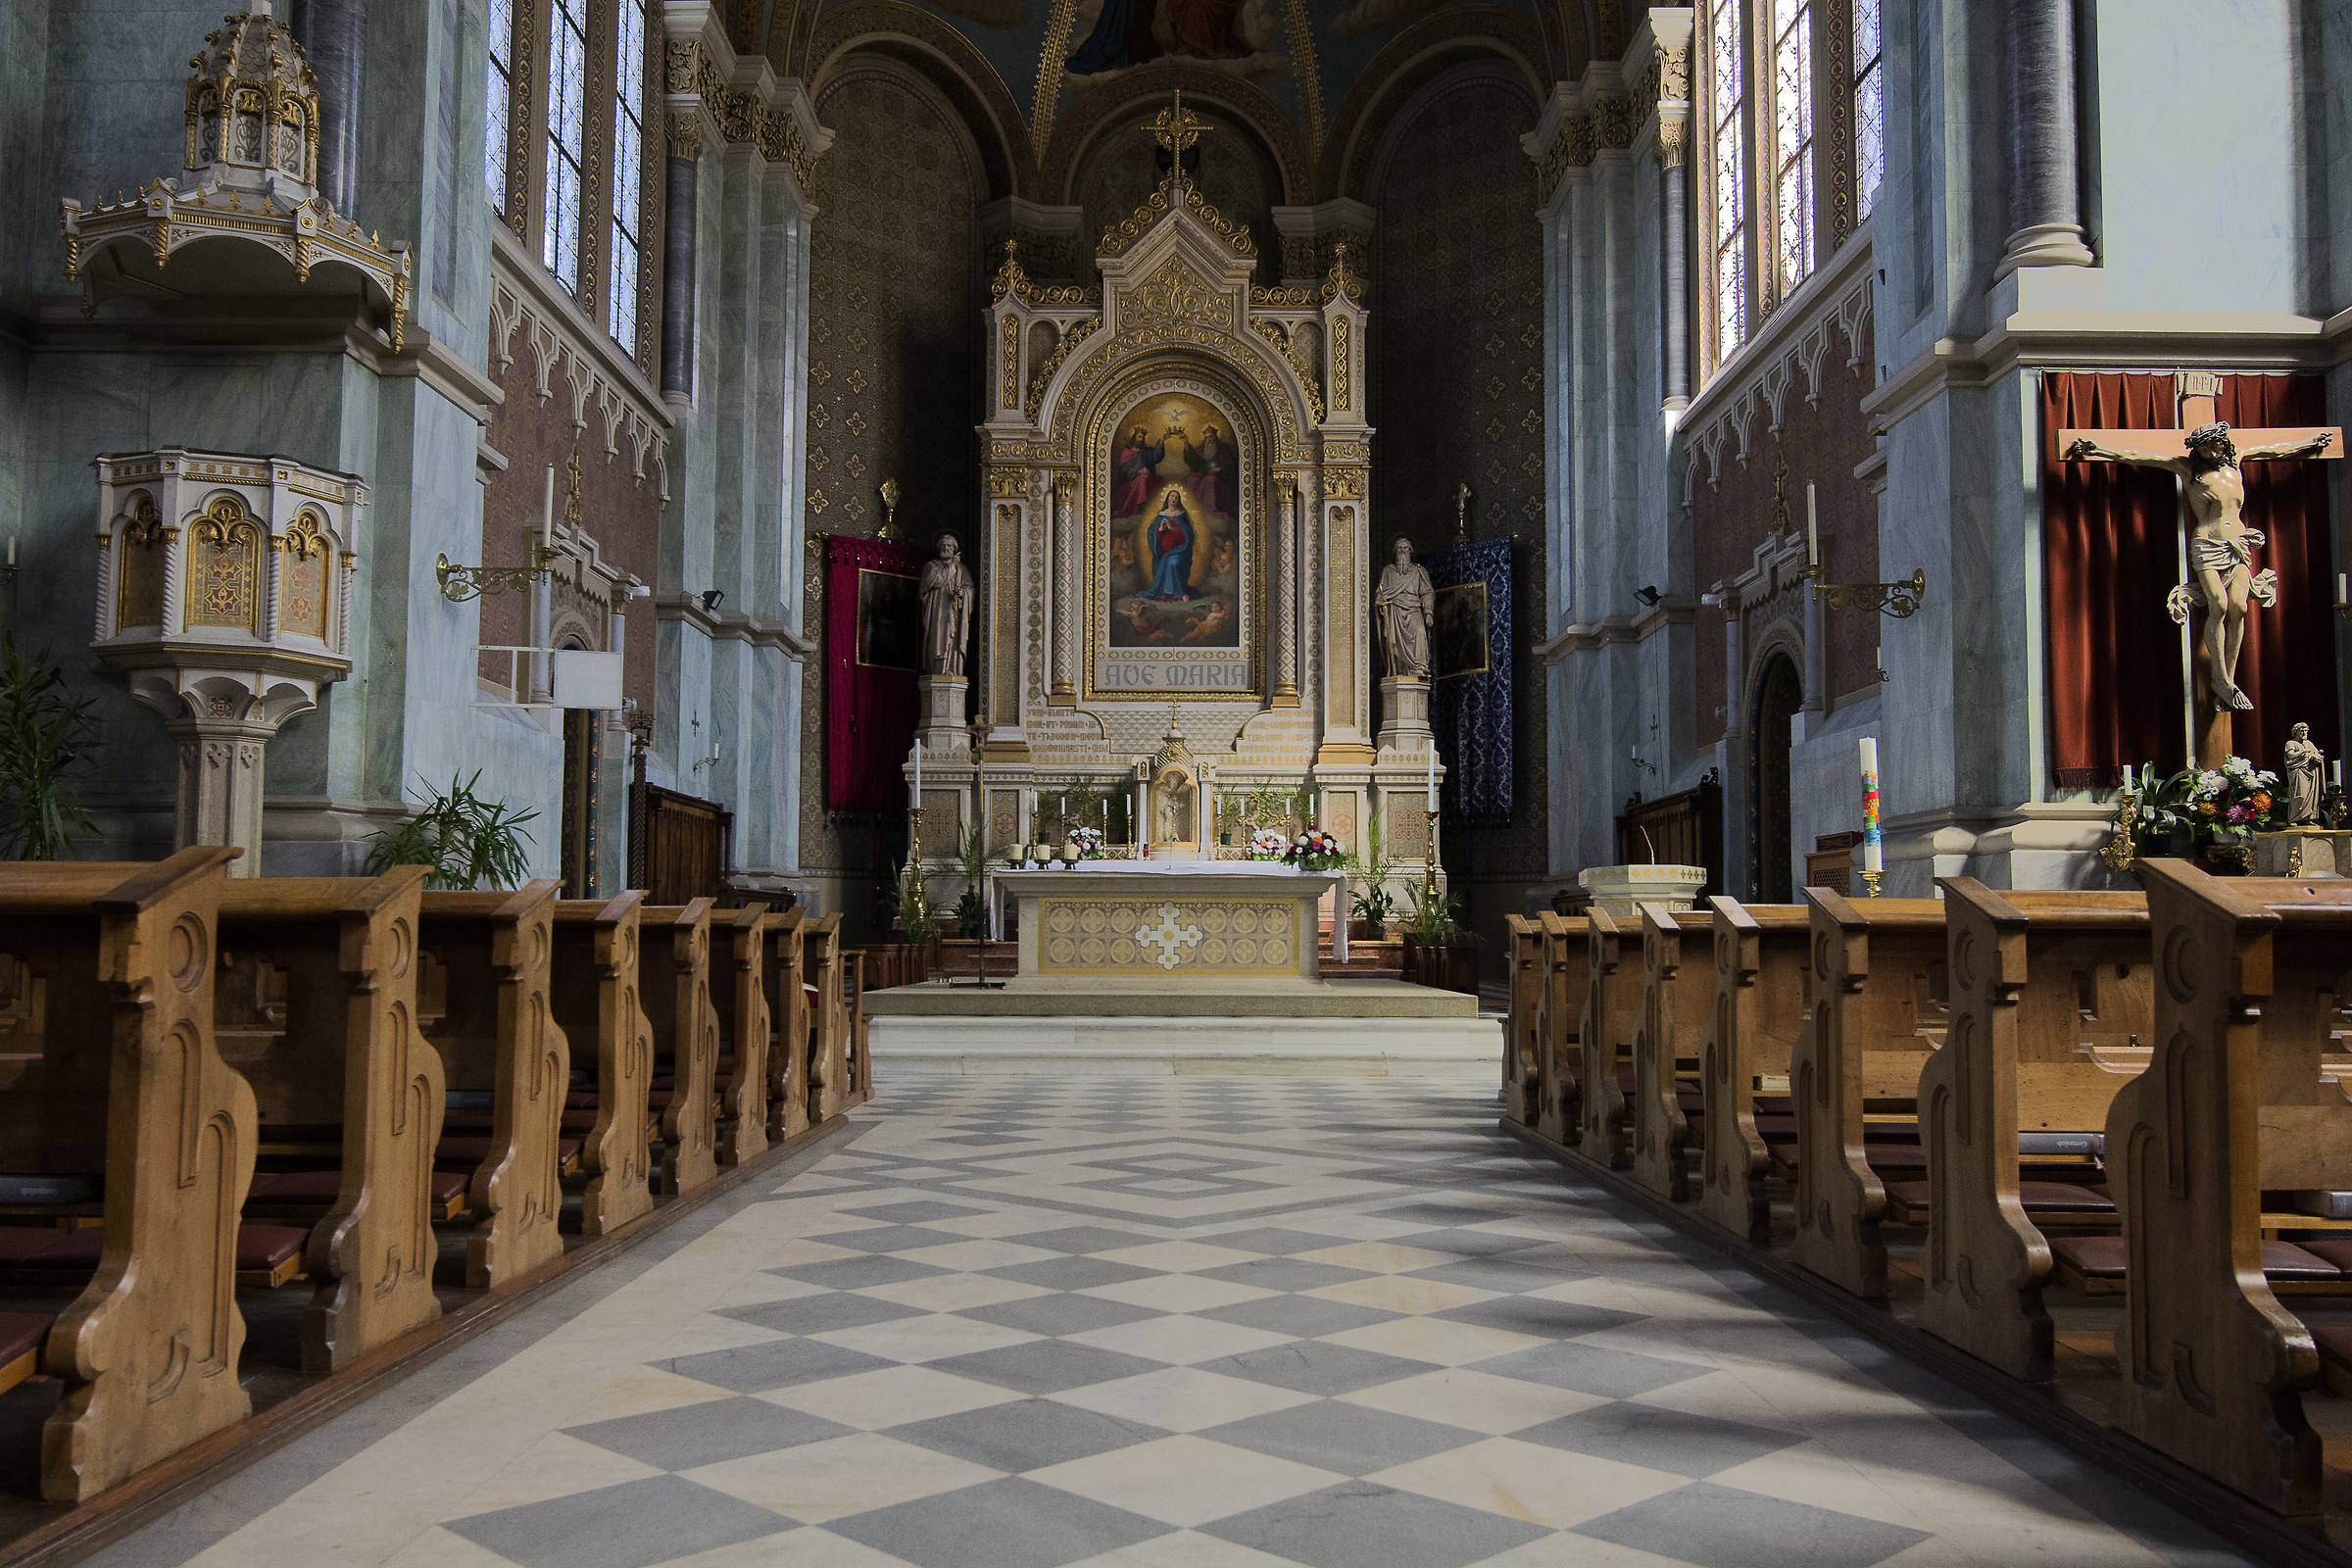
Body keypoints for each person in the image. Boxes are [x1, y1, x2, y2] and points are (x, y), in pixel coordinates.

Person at [2064, 421, 2334, 711]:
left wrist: (2310, 443)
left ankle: (2226, 680)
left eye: (2213, 445)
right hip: (2206, 544)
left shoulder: (2237, 459)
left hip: (2238, 543)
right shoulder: (2188, 470)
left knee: (2239, 608)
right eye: (2202, 448)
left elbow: (2276, 451)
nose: (2208, 451)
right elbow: (2138, 456)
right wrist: (2100, 449)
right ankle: (2219, 677)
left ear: (2223, 442)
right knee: (2218, 603)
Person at [1373, 535, 1435, 678]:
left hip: (1414, 610)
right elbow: (1380, 593)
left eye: (1406, 549)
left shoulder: (1419, 571)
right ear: (1394, 552)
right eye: (1399, 549)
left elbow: (1427, 593)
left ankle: (1419, 668)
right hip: (1395, 612)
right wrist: (1381, 600)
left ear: (1411, 552)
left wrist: (1429, 613)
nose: (1402, 552)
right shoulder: (1388, 572)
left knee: (1419, 631)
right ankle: (1400, 671)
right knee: (1394, 644)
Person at [917, 532, 972, 677]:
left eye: (948, 545)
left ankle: (953, 668)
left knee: (954, 640)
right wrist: (952, 566)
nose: (945, 548)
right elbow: (936, 580)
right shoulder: (931, 566)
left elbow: (969, 588)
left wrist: (964, 593)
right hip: (937, 611)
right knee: (939, 638)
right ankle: (938, 670)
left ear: (954, 548)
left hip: (954, 612)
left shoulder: (962, 569)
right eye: (942, 545)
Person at [1140, 485, 1203, 602]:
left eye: (1176, 497)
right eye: (1172, 496)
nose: (1173, 498)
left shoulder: (1181, 515)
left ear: (1179, 500)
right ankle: (1169, 593)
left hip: (1180, 551)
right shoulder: (1161, 515)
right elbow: (1151, 532)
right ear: (1168, 498)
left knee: (1173, 562)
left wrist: (1173, 528)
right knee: (1168, 560)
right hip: (1164, 552)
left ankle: (1178, 593)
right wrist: (1160, 530)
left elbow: (1188, 534)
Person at [1111, 425, 1162, 517]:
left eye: (1142, 438)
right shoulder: (1126, 452)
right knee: (1142, 479)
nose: (1141, 440)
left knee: (1156, 481)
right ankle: (1141, 507)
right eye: (1139, 437)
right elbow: (1123, 472)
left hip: (1147, 477)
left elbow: (1156, 456)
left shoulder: (1145, 451)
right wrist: (1139, 472)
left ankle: (1151, 508)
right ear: (1134, 437)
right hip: (1130, 480)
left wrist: (1161, 442)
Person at [2284, 721, 2325, 824]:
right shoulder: (2291, 743)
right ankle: (2294, 818)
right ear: (2295, 732)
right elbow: (2291, 756)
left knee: (2310, 796)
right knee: (2300, 795)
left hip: (2310, 772)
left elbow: (2316, 754)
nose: (2304, 734)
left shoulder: (2309, 744)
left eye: (2306, 731)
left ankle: (2307, 818)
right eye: (2301, 731)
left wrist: (2317, 758)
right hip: (2298, 771)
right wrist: (2302, 752)